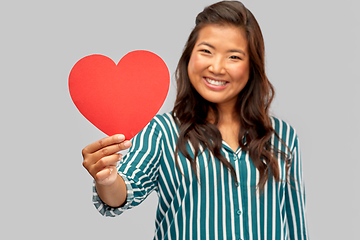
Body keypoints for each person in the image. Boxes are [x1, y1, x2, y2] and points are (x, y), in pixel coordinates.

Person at [82, 1, 309, 239]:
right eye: (206, 51)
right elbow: (124, 192)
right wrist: (106, 179)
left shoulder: (282, 136)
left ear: (252, 66)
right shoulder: (163, 131)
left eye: (233, 56)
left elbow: (296, 227)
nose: (217, 67)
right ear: (189, 56)